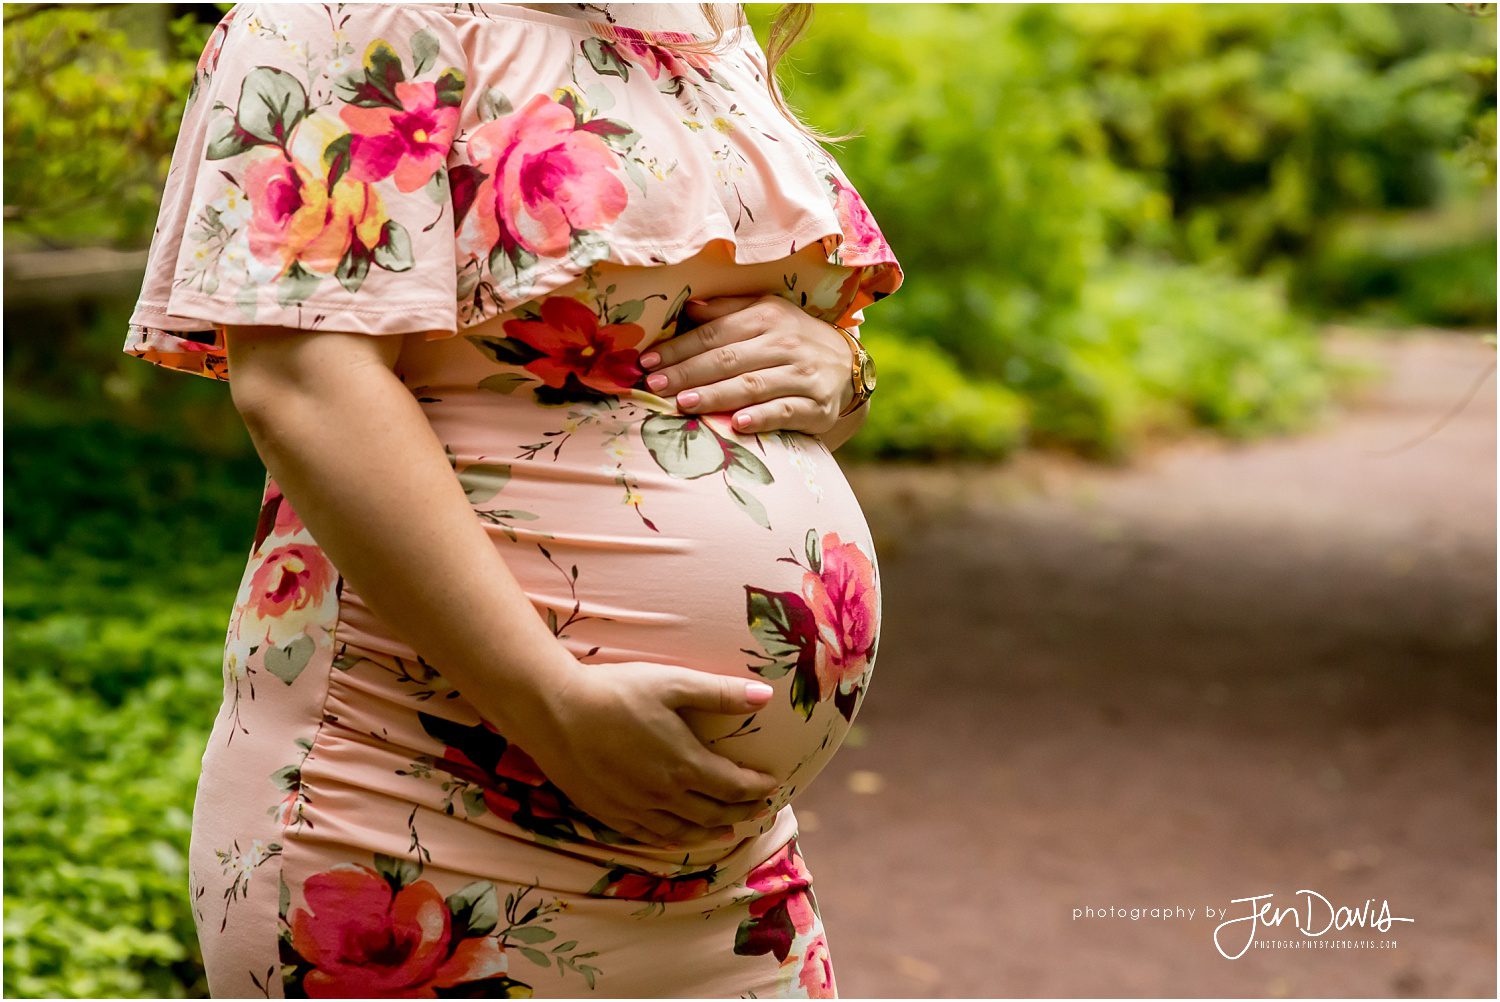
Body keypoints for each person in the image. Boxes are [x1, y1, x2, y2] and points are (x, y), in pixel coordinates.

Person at [123, 2, 905, 996]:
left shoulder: (697, 22)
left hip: (725, 864)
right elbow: (304, 382)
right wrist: (551, 700)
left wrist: (838, 367)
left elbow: (709, 350)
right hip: (423, 815)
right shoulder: (354, 12)